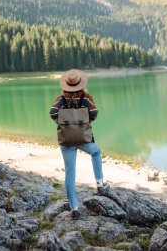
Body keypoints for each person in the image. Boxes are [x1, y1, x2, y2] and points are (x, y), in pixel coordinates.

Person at [49, 69, 109, 220]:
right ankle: (100, 185)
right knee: (95, 152)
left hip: (66, 141)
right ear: (80, 84)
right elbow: (94, 113)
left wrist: (63, 122)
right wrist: (84, 121)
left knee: (70, 173)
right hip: (84, 138)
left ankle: (74, 208)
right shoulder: (86, 98)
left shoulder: (60, 99)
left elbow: (52, 112)